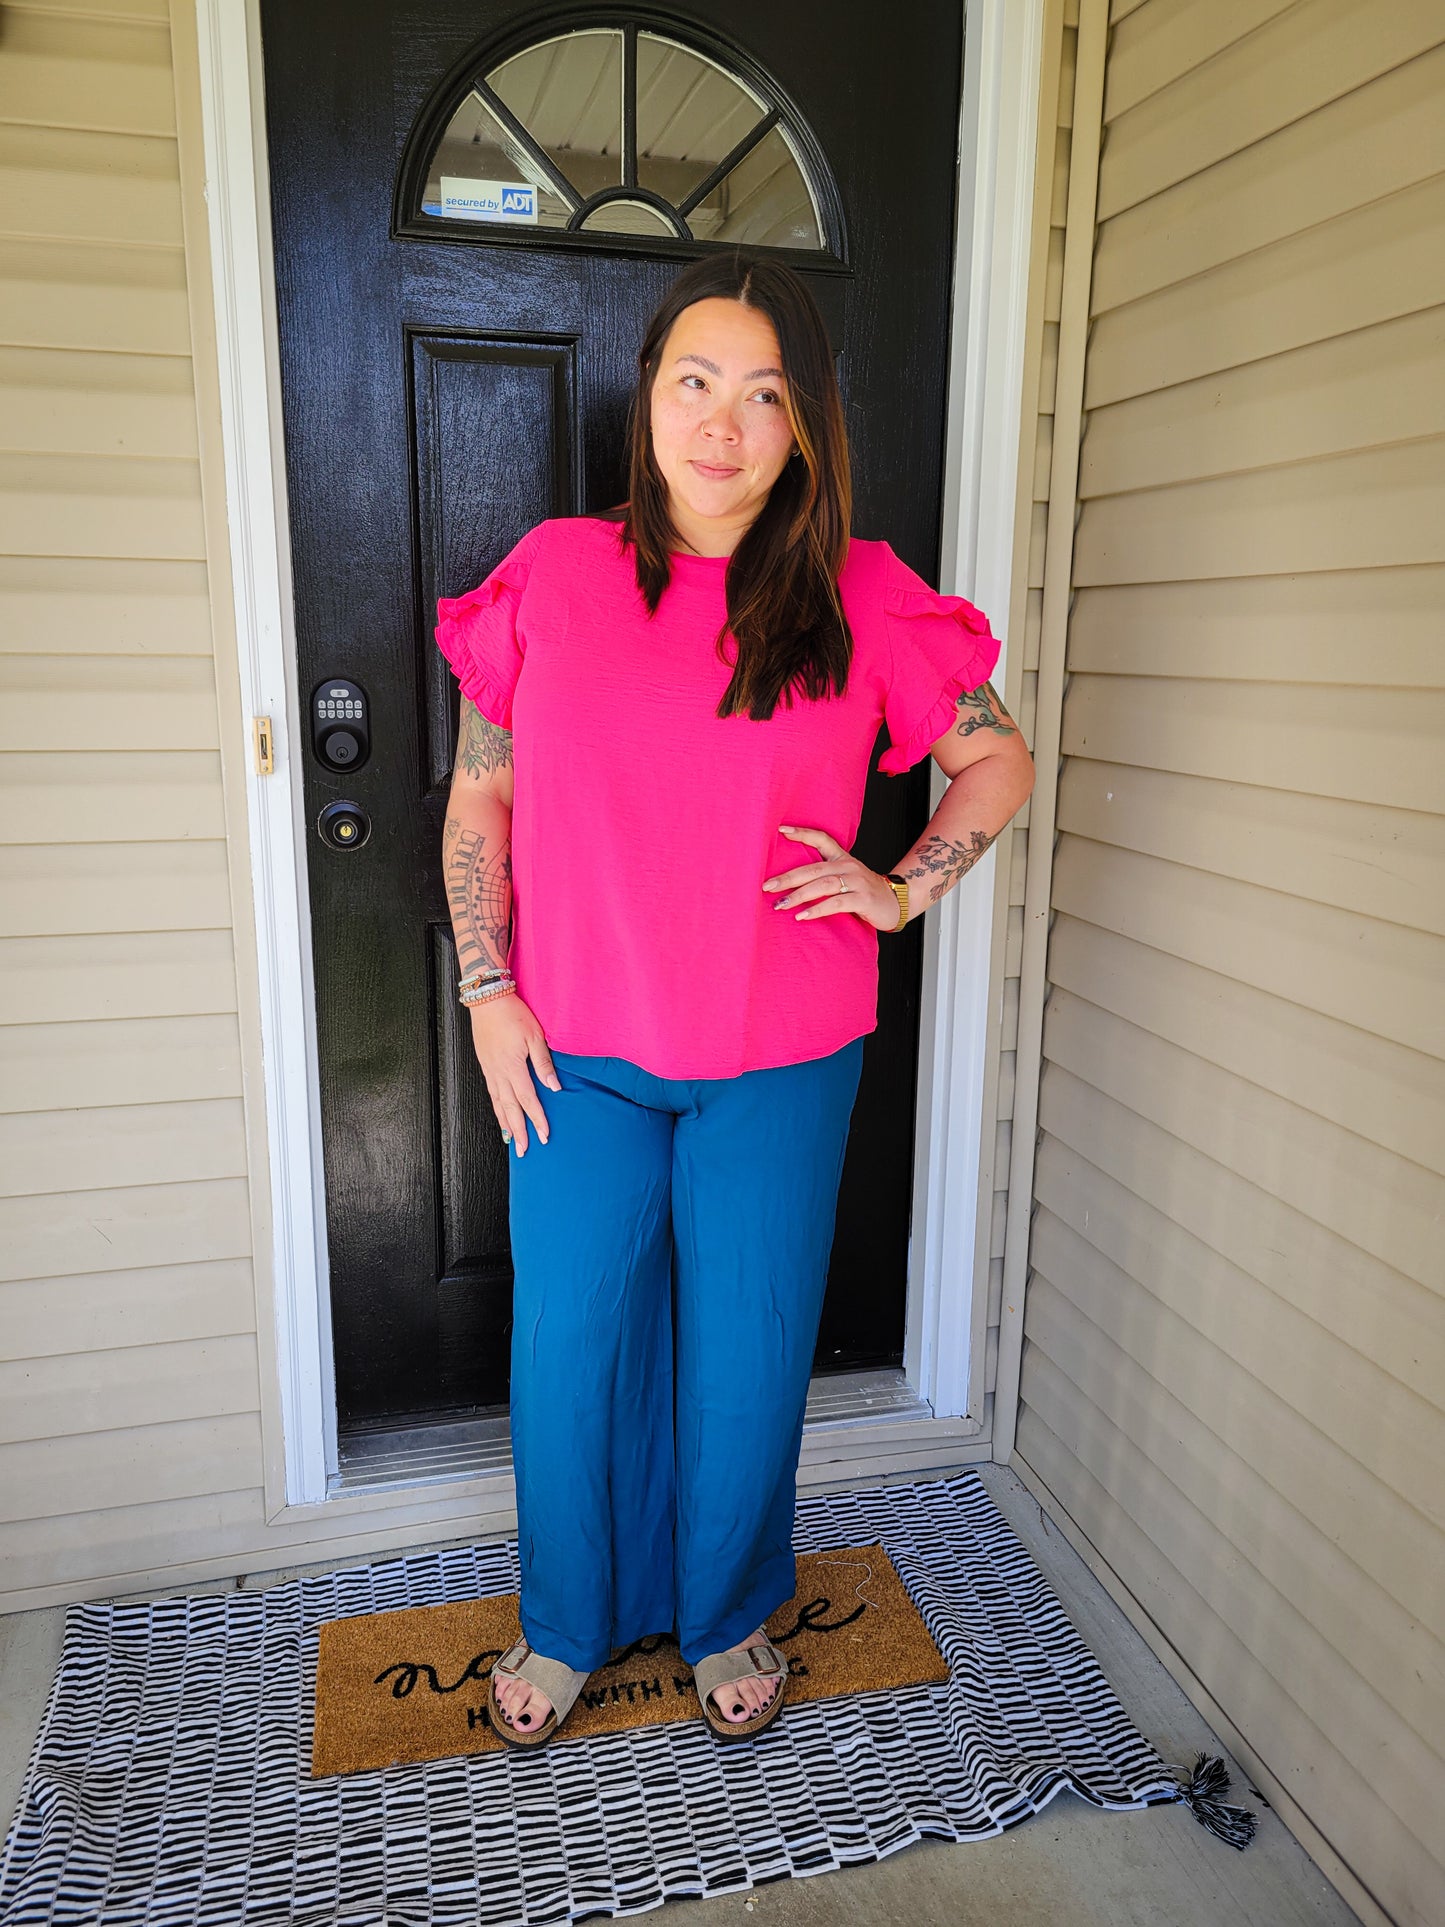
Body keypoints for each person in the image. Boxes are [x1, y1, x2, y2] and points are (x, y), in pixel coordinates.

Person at [435, 249, 1035, 1750]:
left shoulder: (860, 596)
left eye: (762, 395)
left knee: (751, 1343)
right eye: (694, 382)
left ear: (803, 427)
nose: (721, 422)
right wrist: (486, 991)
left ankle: (724, 1615)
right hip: (572, 1051)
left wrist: (905, 884)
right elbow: (477, 800)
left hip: (784, 1053)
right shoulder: (554, 575)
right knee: (566, 1340)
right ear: (648, 400)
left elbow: (996, 758)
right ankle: (564, 1622)